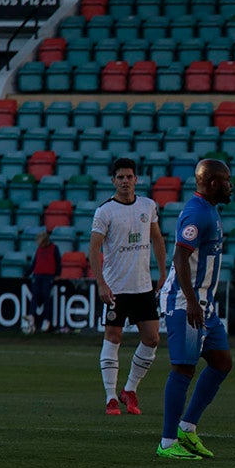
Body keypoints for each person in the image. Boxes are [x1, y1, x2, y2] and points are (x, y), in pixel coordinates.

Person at [155, 159, 234, 460]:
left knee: (222, 363)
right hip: (184, 302)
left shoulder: (209, 210)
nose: (230, 185)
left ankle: (187, 429)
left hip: (204, 304)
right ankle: (166, 442)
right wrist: (189, 300)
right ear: (213, 183)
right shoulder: (196, 213)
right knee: (184, 368)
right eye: (226, 180)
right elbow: (179, 258)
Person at [89, 157, 167, 416]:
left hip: (143, 286)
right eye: (120, 177)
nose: (125, 181)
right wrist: (101, 283)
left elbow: (157, 239)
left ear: (136, 179)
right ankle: (111, 397)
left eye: (129, 177)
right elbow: (94, 248)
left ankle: (130, 389)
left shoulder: (148, 206)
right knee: (114, 337)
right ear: (113, 181)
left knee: (152, 338)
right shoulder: (105, 211)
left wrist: (163, 271)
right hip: (117, 288)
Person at [25, 229, 61, 333]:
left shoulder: (54, 248)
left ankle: (46, 320)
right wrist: (27, 274)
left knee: (46, 298)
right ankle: (31, 316)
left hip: (48, 276)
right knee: (35, 296)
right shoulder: (39, 249)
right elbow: (34, 263)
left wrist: (57, 274)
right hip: (37, 275)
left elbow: (58, 262)